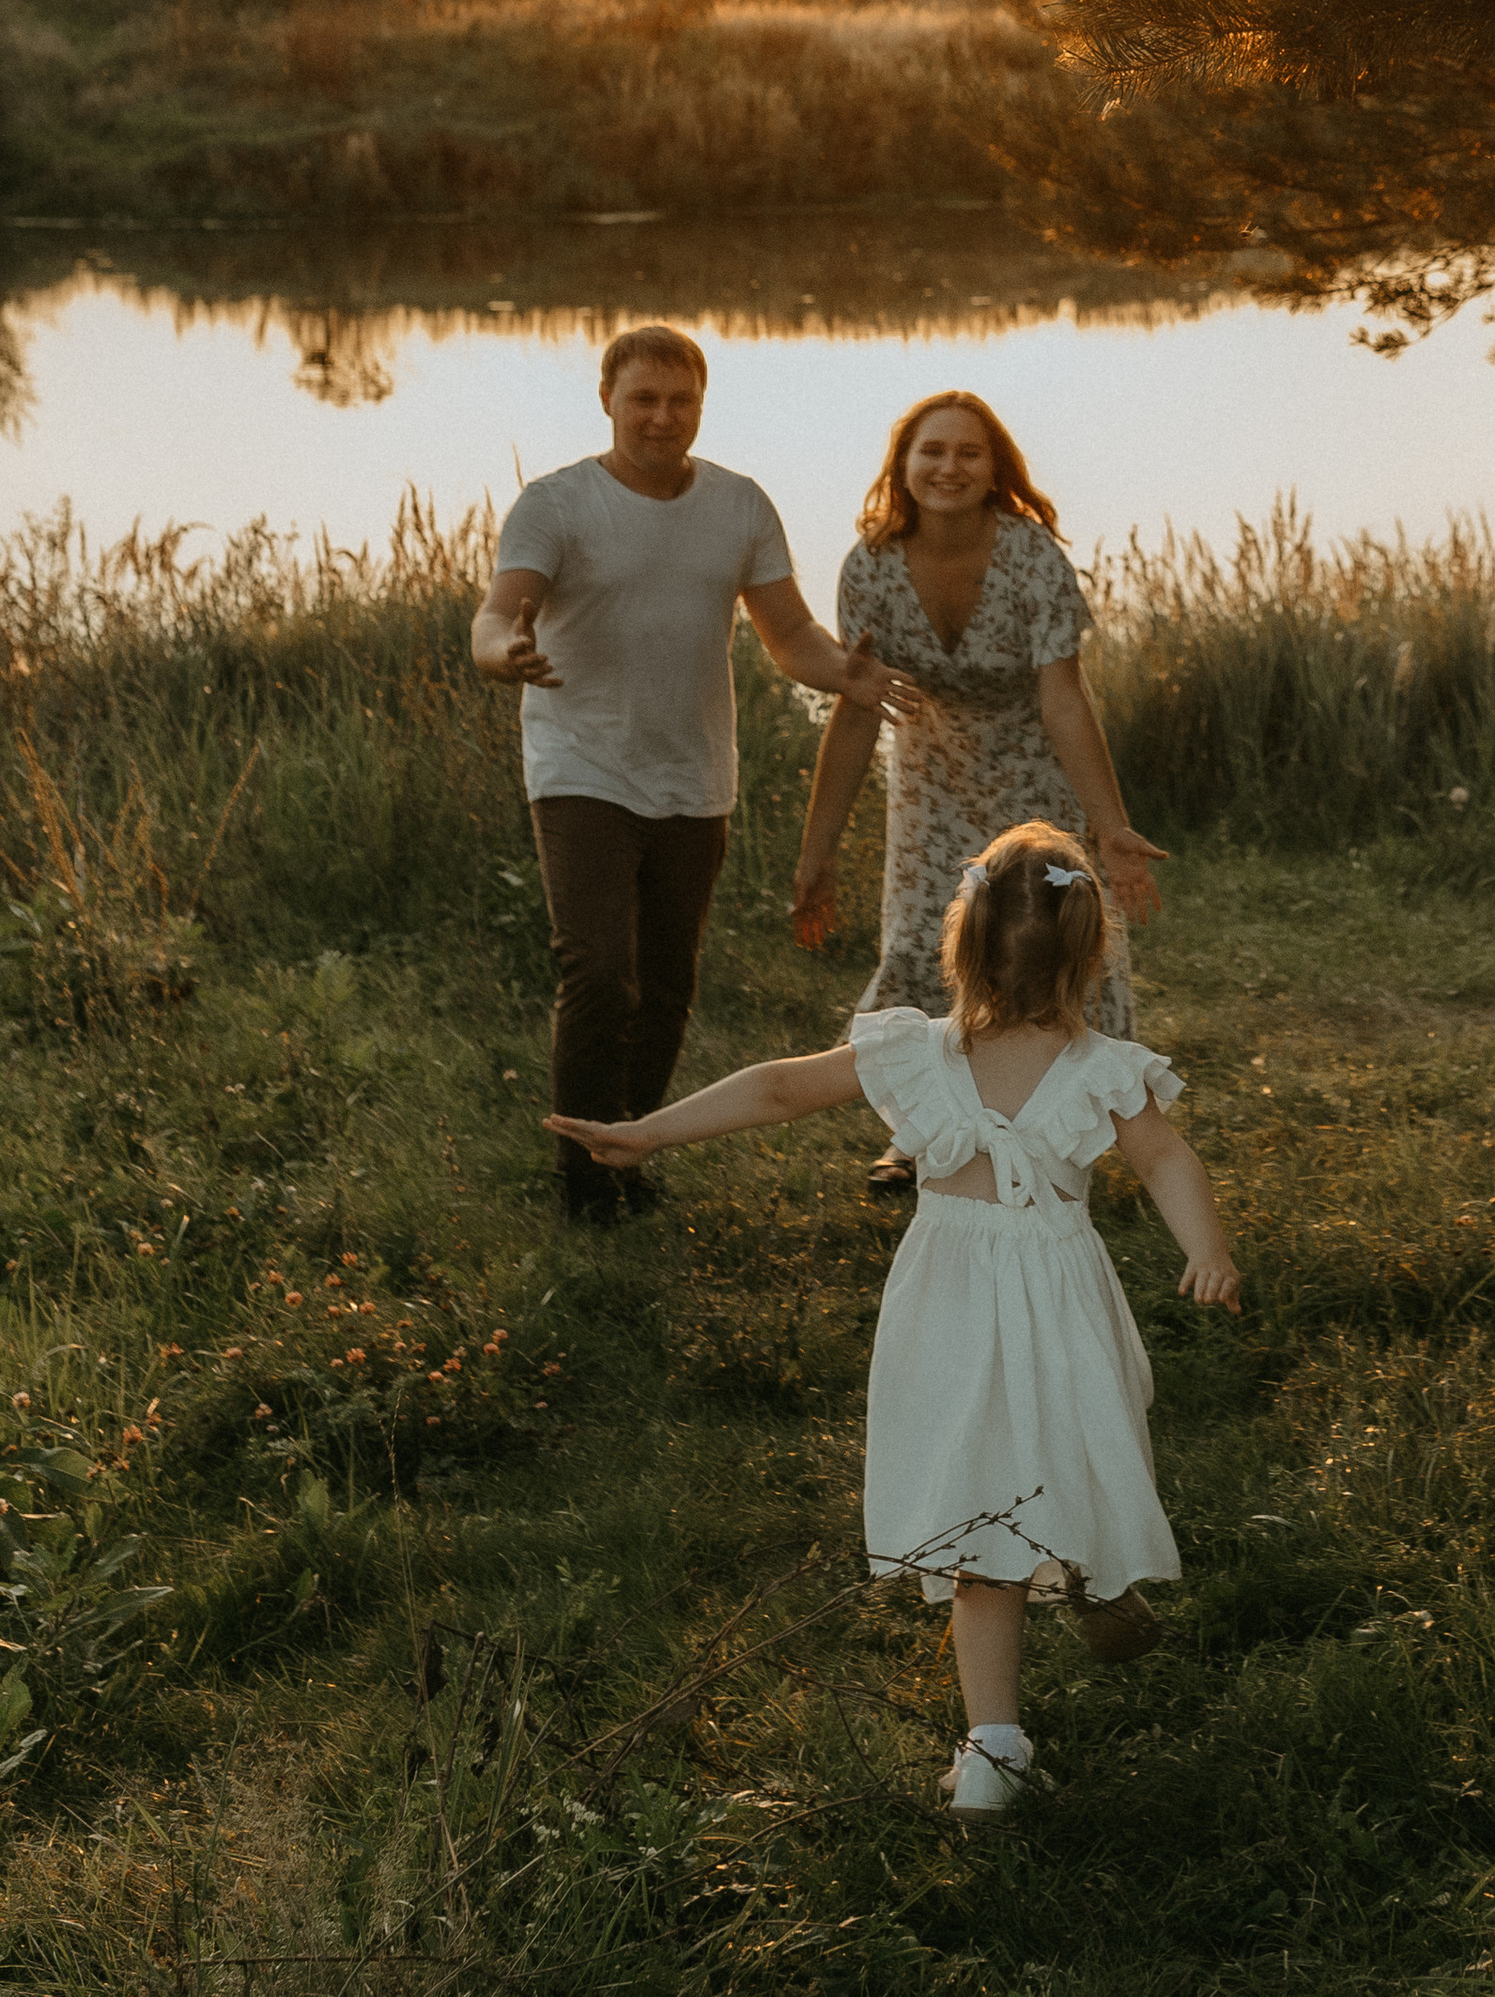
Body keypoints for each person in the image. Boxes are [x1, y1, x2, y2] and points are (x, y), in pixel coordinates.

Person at [548, 818, 1239, 1818]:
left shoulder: (920, 1052)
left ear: (961, 944)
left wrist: (649, 1131)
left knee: (984, 1514)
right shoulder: (1099, 1067)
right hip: (1059, 1300)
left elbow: (779, 1087)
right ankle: (1073, 1593)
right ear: (1090, 953)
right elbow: (1165, 1157)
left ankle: (1007, 1719)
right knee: (1067, 1449)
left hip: (950, 1306)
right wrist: (1205, 1250)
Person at [474, 321, 865, 1222]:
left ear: (700, 404)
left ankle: (630, 1150)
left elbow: (789, 635)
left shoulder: (740, 506)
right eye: (642, 398)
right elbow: (495, 617)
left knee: (667, 986)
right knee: (598, 971)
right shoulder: (556, 504)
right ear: (606, 399)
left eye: (679, 399)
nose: (661, 416)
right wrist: (504, 654)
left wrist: (849, 672)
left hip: (695, 774)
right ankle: (584, 1183)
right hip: (581, 767)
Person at [789, 390, 1167, 1193]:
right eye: (932, 450)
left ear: (995, 470)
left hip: (1035, 777)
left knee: (1046, 945)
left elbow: (1065, 698)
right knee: (919, 949)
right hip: (931, 779)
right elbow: (856, 711)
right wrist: (817, 853)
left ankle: (1063, 1132)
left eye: (968, 451)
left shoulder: (1031, 558)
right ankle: (918, 1137)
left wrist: (1108, 827)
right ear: (903, 465)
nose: (948, 466)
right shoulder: (870, 565)